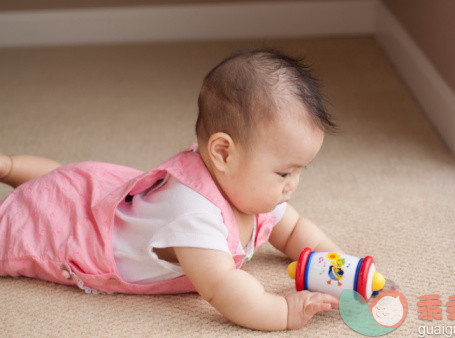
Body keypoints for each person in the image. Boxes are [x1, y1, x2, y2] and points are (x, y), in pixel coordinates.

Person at [0, 48, 343, 331]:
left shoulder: (252, 189)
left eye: (300, 170)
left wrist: (339, 263)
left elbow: (295, 230)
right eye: (284, 172)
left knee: (68, 179)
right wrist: (283, 311)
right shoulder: (193, 214)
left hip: (105, 187)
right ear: (223, 153)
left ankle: (11, 167)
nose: (293, 184)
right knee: (37, 210)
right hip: (90, 233)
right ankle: (12, 169)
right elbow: (223, 287)